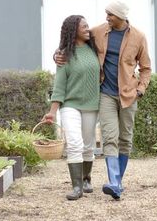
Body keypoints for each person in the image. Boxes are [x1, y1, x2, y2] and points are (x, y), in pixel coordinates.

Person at [55, 1, 152, 200]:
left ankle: (118, 181)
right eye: (106, 14)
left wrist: (140, 90)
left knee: (125, 138)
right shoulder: (98, 32)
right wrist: (57, 54)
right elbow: (74, 38)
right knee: (109, 137)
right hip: (106, 94)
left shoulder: (139, 37)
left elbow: (146, 68)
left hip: (128, 94)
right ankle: (114, 182)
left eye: (110, 15)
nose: (107, 18)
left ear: (121, 17)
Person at [41, 15, 100, 201]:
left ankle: (86, 179)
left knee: (89, 144)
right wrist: (52, 112)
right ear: (73, 30)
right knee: (75, 143)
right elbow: (59, 86)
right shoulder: (64, 55)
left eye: (88, 25)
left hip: (91, 104)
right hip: (70, 105)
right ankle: (76, 187)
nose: (87, 29)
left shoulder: (94, 48)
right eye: (83, 26)